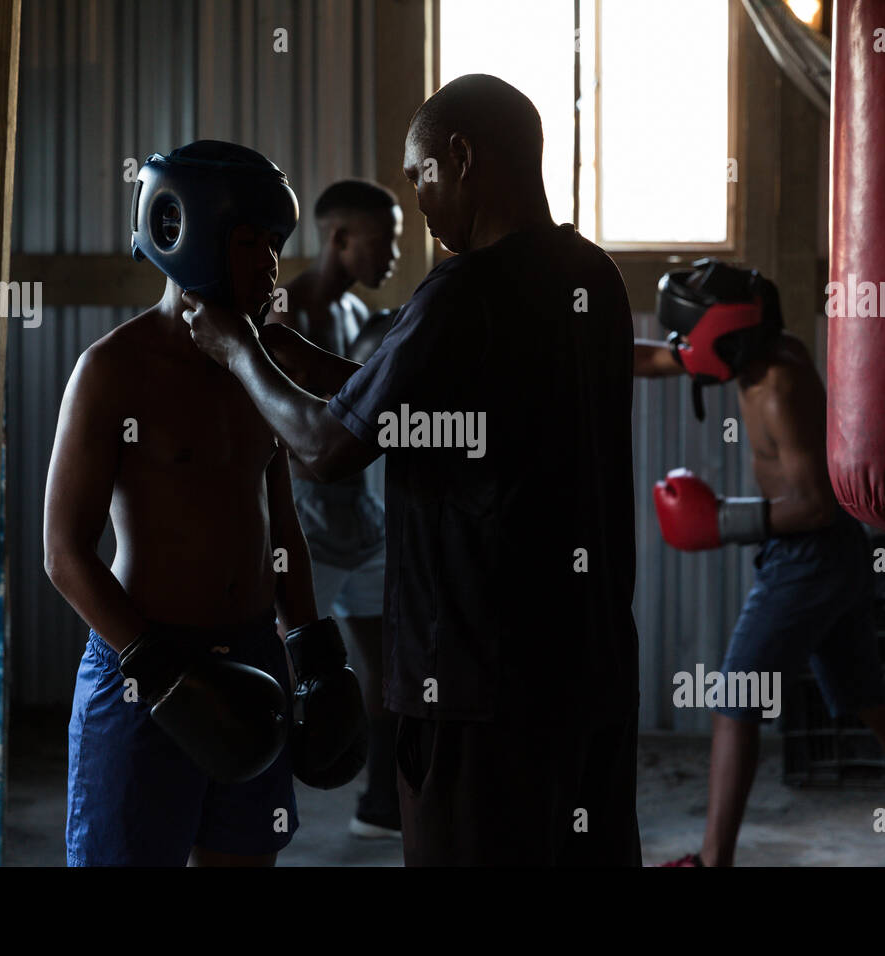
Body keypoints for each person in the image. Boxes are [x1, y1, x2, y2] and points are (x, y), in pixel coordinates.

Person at [180, 74, 642, 866]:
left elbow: (326, 449)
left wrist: (238, 350)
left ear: (460, 157)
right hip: (588, 664)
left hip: (474, 680)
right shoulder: (590, 278)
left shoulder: (464, 292)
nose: (419, 200)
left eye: (420, 173)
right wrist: (289, 355)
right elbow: (403, 401)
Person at [46, 140, 363, 867]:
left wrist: (309, 646)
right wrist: (161, 673)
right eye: (251, 243)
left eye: (276, 245)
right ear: (181, 231)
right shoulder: (113, 369)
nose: (270, 266)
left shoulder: (265, 362)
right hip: (144, 669)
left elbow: (281, 524)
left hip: (254, 657)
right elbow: (64, 555)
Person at [638, 258, 885, 866]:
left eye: (691, 335)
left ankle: (712, 862)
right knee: (871, 697)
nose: (682, 349)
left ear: (723, 333)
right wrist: (573, 338)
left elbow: (814, 504)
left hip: (809, 556)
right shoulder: (752, 351)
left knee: (736, 697)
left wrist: (721, 521)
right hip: (833, 555)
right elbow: (656, 358)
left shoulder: (779, 385)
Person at [269, 179, 403, 838]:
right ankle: (257, 808)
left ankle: (382, 805)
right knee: (281, 667)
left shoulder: (354, 315)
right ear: (340, 238)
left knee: (385, 660)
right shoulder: (280, 312)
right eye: (385, 242)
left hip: (360, 517)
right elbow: (288, 433)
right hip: (301, 521)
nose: (395, 257)